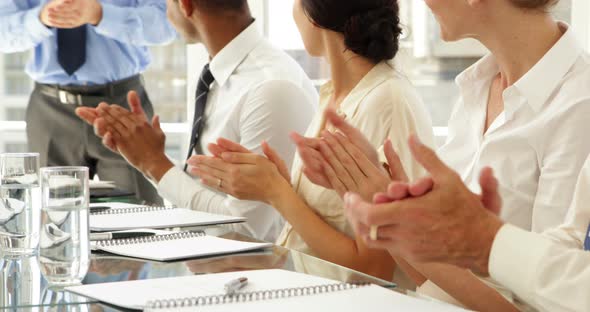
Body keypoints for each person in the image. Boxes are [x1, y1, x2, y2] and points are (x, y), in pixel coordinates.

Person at [188, 0, 435, 280]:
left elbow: (375, 269)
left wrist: (277, 193)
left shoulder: (387, 103)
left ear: (315, 16)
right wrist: (281, 186)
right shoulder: (334, 95)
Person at [76, 0, 317, 242]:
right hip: (209, 262)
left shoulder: (269, 88)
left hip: (256, 272)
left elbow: (248, 231)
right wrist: (147, 155)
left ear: (185, 5)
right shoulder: (218, 73)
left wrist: (155, 164)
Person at [344, 136, 590, 312]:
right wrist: (410, 224)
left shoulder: (575, 104)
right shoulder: (469, 95)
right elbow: (567, 246)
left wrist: (486, 243)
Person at [0, 0, 177, 204]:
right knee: (53, 219)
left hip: (122, 105)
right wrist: (40, 19)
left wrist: (101, 15)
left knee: (139, 213)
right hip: (51, 109)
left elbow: (167, 24)